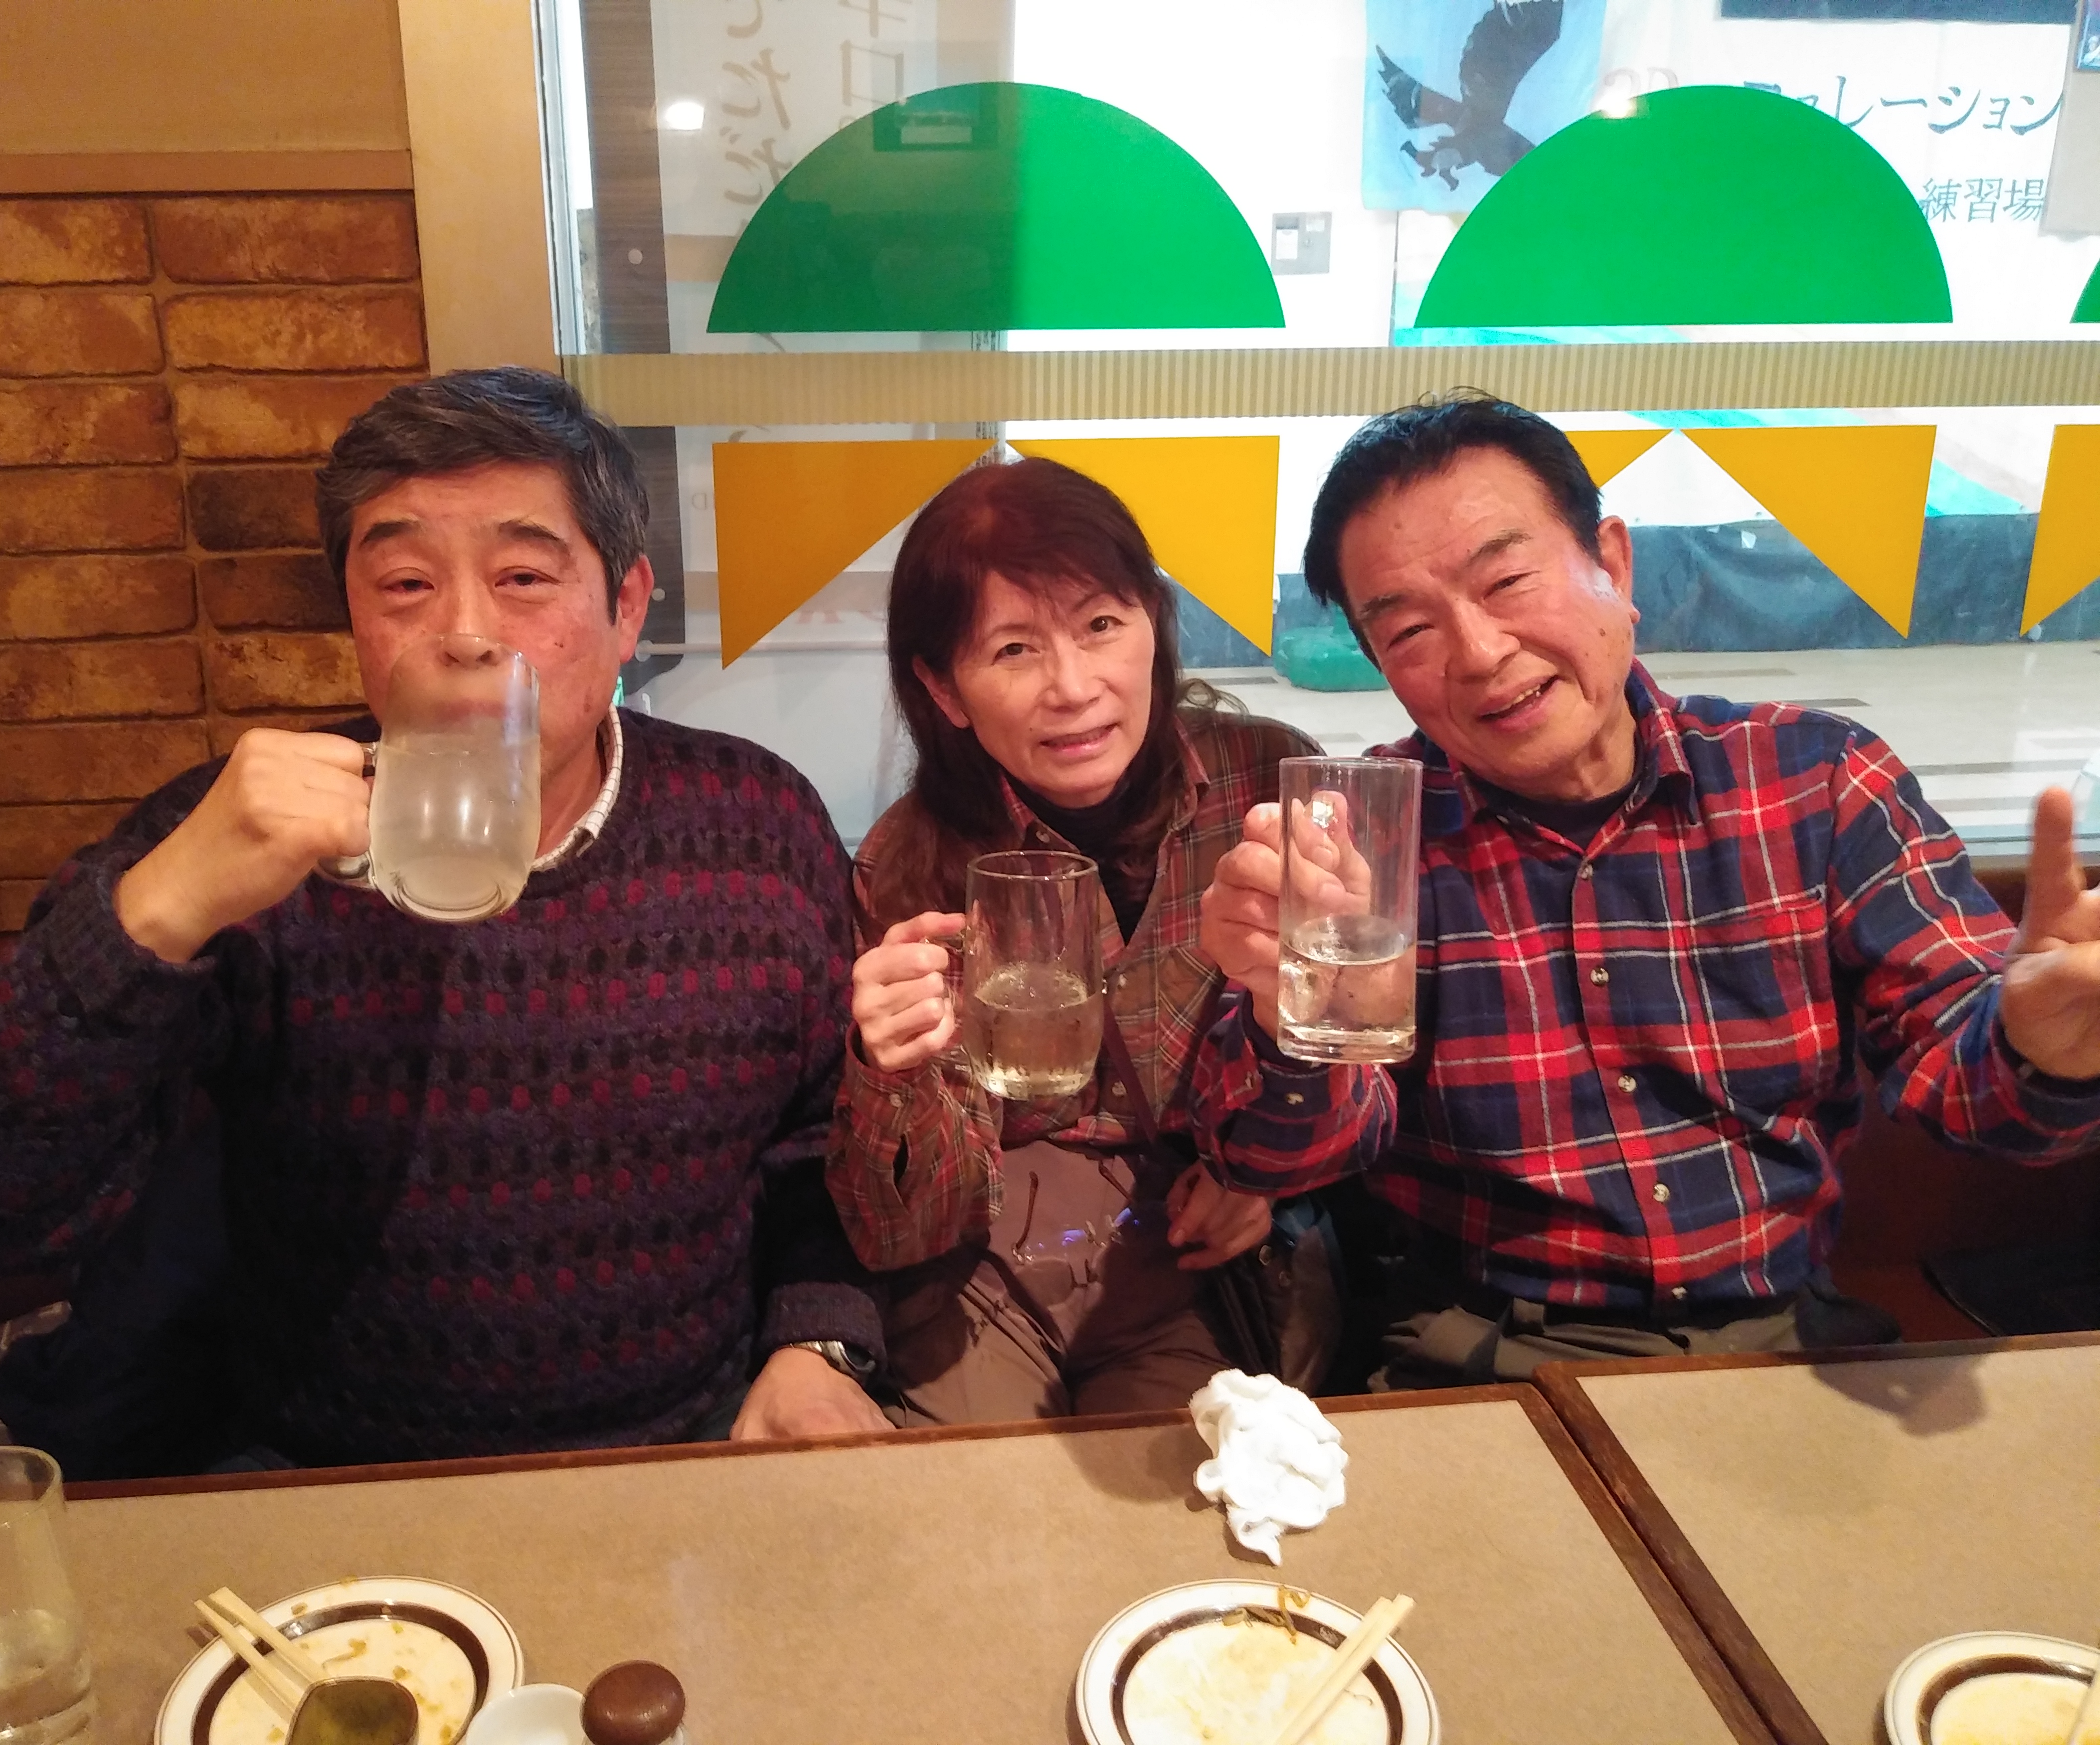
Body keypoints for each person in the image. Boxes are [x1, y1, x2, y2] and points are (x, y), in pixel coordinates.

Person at [0, 368, 890, 1463]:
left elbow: (823, 1138)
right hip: (330, 1469)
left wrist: (815, 1343)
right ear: (353, 614)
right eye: (405, 583)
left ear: (626, 607)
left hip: (688, 1443)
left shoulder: (755, 819)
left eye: (523, 577)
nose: (465, 633)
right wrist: (158, 908)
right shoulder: (243, 843)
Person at [1198, 391, 2100, 1387]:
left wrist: (2042, 1055)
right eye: (1410, 630)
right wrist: (1290, 1025)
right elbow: (1281, 1162)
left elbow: (1971, 1089)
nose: (1479, 652)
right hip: (1474, 1351)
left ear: (1614, 565)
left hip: (1784, 1343)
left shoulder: (1817, 781)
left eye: (1507, 581)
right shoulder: (1368, 851)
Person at [828, 456, 1363, 1424]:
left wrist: (1261, 1175)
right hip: (989, 1256)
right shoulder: (910, 863)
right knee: (970, 1490)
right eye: (1013, 650)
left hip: (1191, 1243)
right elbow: (911, 1231)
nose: (1072, 687)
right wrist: (891, 1076)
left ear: (1153, 625)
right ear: (945, 690)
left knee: (1181, 1478)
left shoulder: (1269, 787)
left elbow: (1358, 1100)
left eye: (1101, 626)